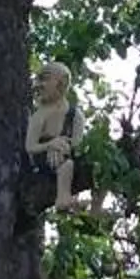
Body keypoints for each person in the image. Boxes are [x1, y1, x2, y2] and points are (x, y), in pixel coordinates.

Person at [25, 61, 90, 214]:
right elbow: (30, 147)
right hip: (43, 161)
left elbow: (77, 143)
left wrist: (64, 146)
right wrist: (50, 145)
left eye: (44, 79)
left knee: (98, 164)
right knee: (65, 164)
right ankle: (63, 198)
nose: (37, 85)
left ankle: (96, 206)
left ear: (61, 83)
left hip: (66, 155)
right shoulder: (39, 115)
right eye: (37, 80)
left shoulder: (75, 115)